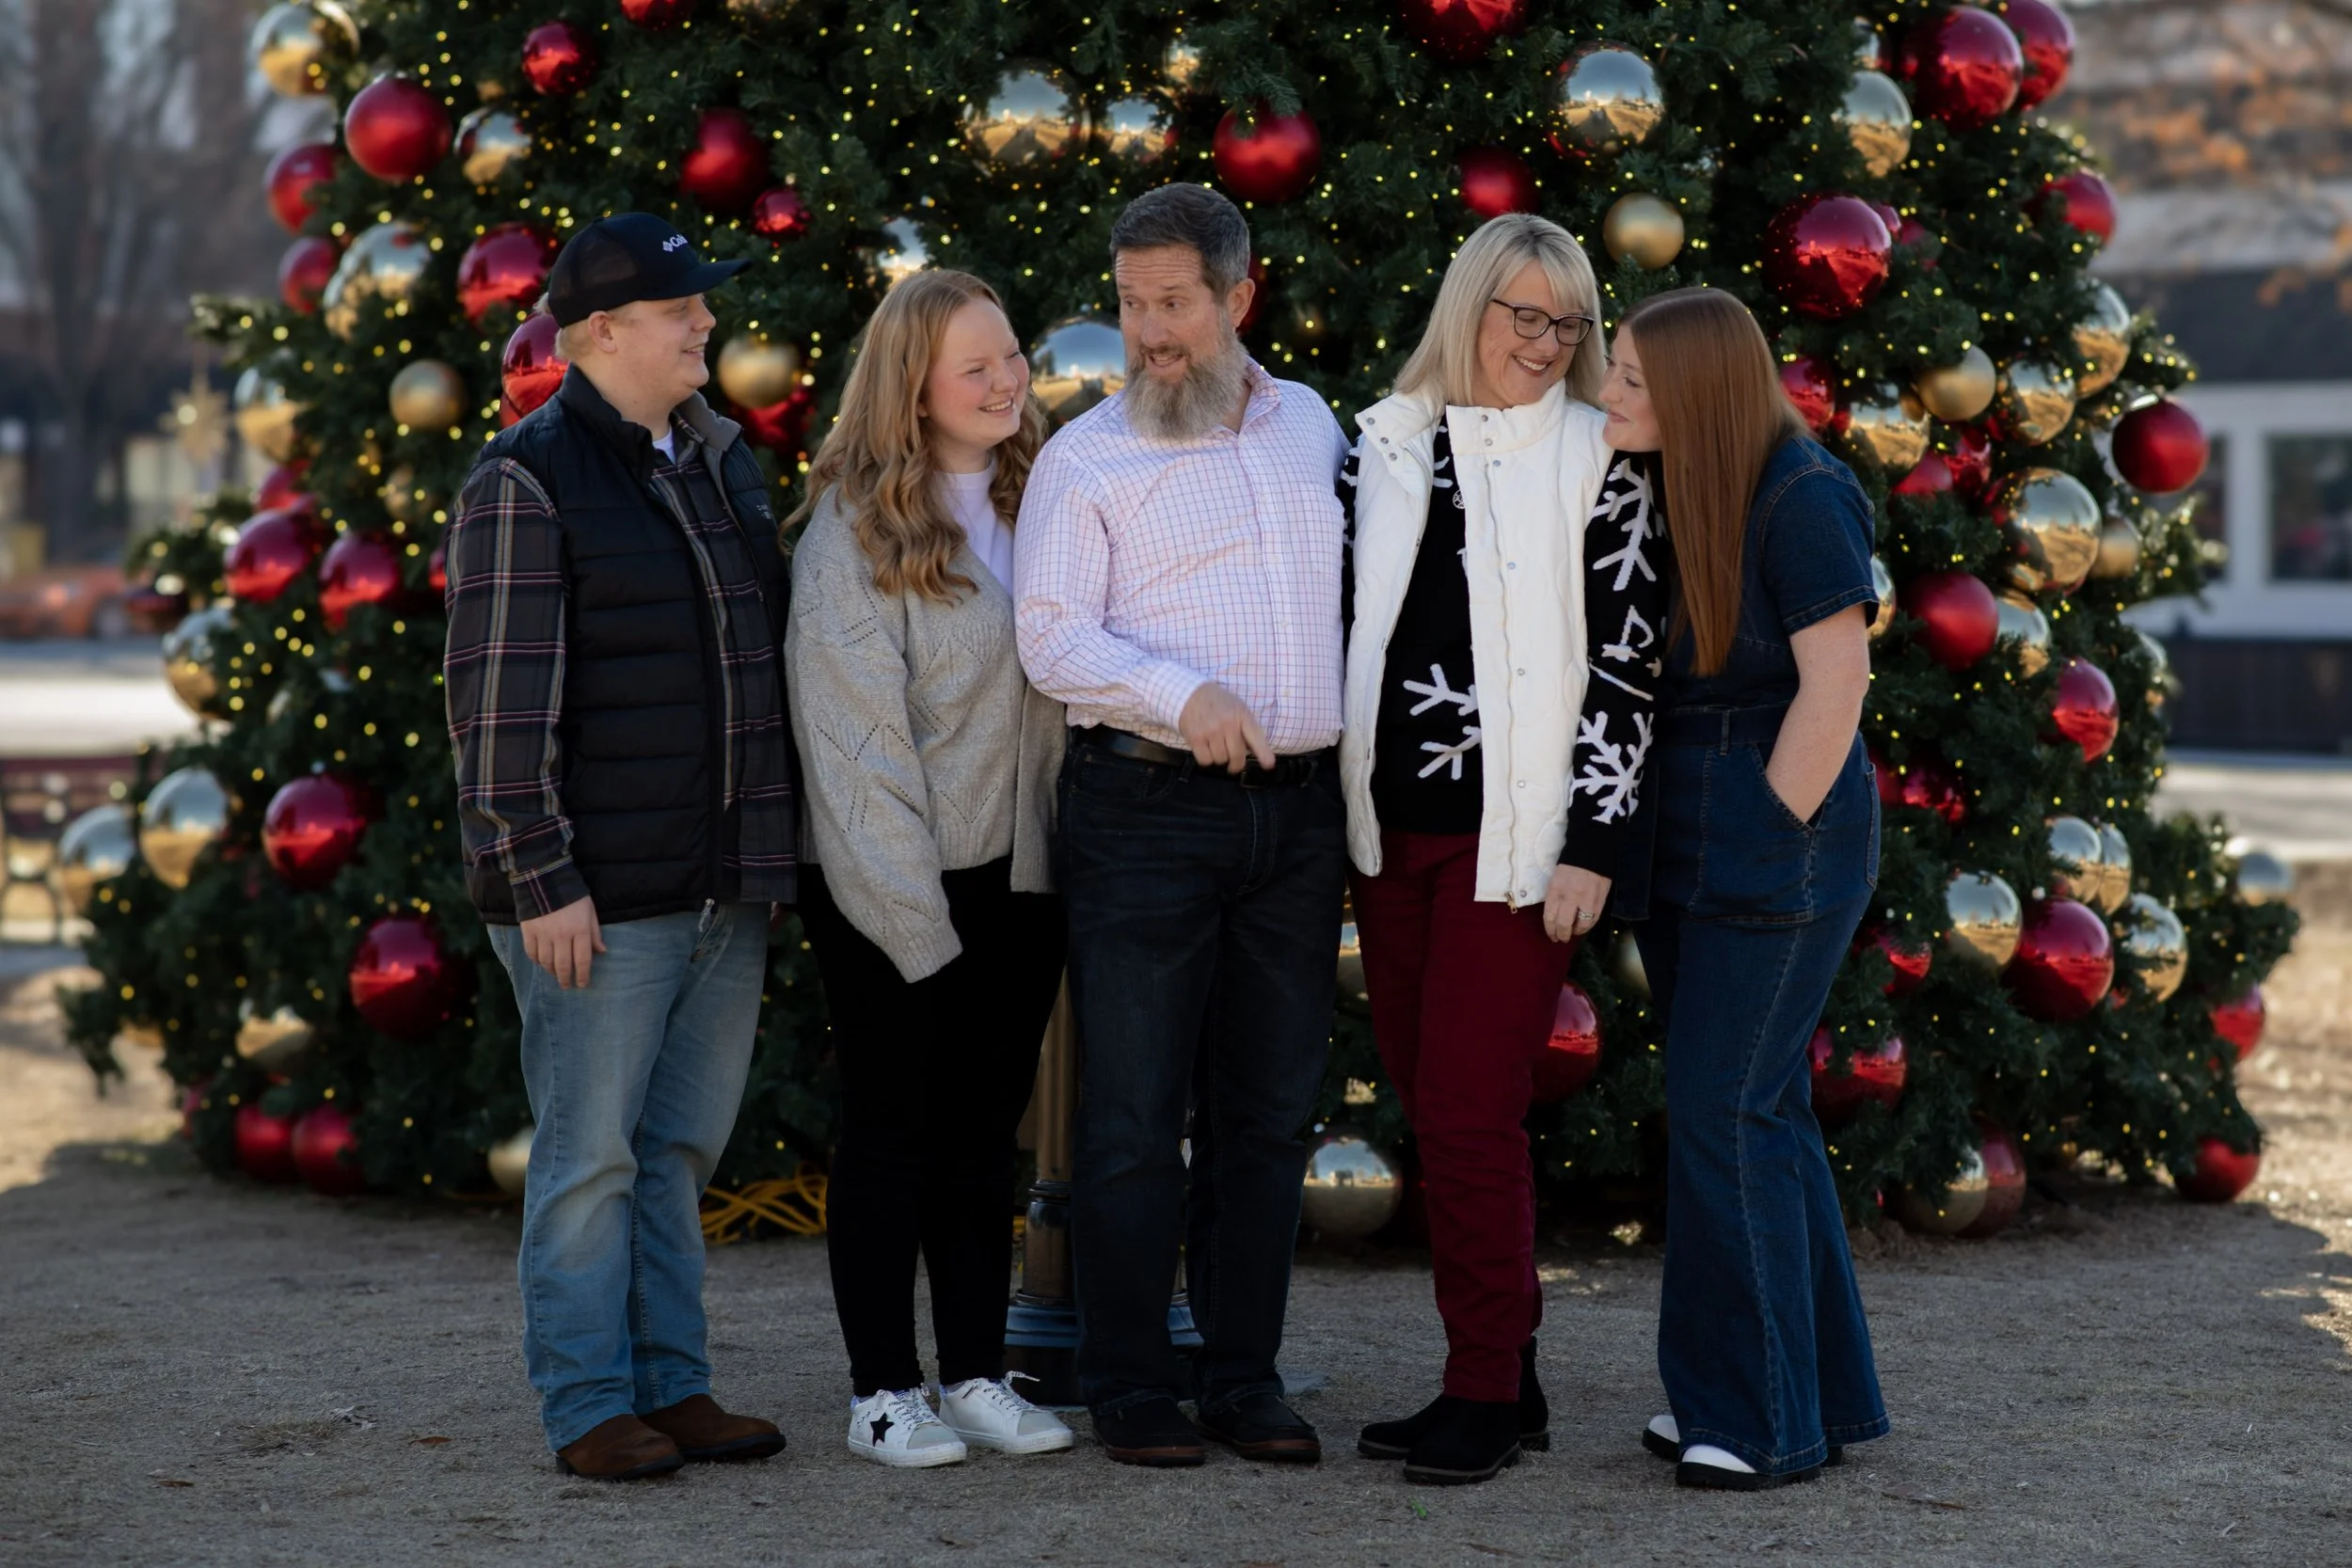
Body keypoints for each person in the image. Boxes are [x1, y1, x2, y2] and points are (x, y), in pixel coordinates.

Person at [443, 214, 793, 1481]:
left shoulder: (715, 460)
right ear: (602, 332)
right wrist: (542, 877)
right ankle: (591, 1400)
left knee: (677, 1151)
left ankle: (672, 1384)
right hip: (593, 899)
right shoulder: (524, 481)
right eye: (680, 307)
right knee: (589, 1158)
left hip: (721, 884)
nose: (706, 322)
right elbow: (495, 714)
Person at [1013, 182, 1350, 1469]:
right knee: (1134, 1113)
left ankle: (1243, 1373)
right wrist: (1183, 693)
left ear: (1237, 298)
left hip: (1296, 821)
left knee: (1267, 1112)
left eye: (1174, 304)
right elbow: (1051, 638)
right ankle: (1131, 1379)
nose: (1148, 332)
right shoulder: (1086, 458)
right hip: (1144, 808)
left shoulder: (1310, 426)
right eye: (1132, 303)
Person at [1339, 214, 1666, 1486]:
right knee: (1432, 1101)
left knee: (1472, 1111)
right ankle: (1507, 1366)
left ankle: (1481, 1387)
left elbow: (1630, 671)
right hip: (1391, 834)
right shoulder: (1381, 442)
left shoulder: (1600, 454)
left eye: (1566, 322)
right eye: (1520, 314)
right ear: (1466, 304)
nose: (1543, 342)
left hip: (1519, 844)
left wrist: (1595, 840)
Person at [1597, 286, 1888, 1490]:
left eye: (1626, 376)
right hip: (1687, 833)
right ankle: (1804, 1389)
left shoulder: (1802, 493)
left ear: (1696, 392)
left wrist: (1771, 823)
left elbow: (1838, 683)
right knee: (1753, 1108)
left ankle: (1761, 1419)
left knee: (1727, 1111)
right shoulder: (1670, 485)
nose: (1605, 393)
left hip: (1777, 841)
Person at [784, 269, 1073, 1468]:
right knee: (891, 1132)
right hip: (887, 882)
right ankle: (881, 1391)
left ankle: (969, 1373)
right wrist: (916, 927)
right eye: (976, 365)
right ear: (913, 385)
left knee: (979, 1136)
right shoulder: (849, 533)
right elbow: (858, 754)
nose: (1007, 379)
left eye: (1011, 354)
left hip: (1021, 875)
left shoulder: (1049, 494)